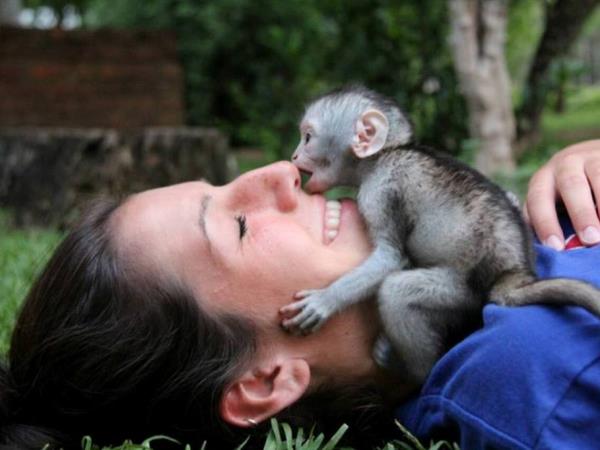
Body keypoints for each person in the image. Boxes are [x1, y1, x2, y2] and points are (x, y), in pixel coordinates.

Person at [0, 139, 598, 449]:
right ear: (265, 381)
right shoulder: (540, 370)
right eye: (238, 226)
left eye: (224, 184)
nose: (281, 173)